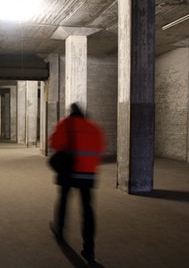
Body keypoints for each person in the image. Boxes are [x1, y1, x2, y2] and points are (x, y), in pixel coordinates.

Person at [49, 103, 105, 263]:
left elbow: (54, 143)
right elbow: (100, 149)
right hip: (88, 173)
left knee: (64, 200)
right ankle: (89, 249)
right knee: (87, 209)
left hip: (69, 171)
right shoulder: (94, 127)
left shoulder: (65, 124)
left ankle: (60, 229)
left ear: (71, 113)